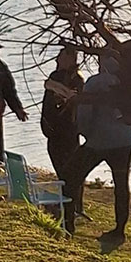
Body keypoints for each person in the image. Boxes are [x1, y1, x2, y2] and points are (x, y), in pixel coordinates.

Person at [65, 47, 131, 237]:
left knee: (71, 176)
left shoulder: (94, 83)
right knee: (121, 184)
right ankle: (120, 228)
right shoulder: (129, 84)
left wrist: (85, 133)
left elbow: (85, 115)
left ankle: (68, 221)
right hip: (125, 140)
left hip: (99, 140)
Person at [40, 47, 83, 213]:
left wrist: (59, 91)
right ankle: (68, 203)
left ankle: (72, 205)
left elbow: (75, 101)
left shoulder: (77, 80)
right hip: (53, 132)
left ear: (70, 59)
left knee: (70, 169)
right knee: (61, 168)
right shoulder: (55, 76)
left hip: (68, 132)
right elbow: (49, 88)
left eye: (61, 57)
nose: (57, 60)